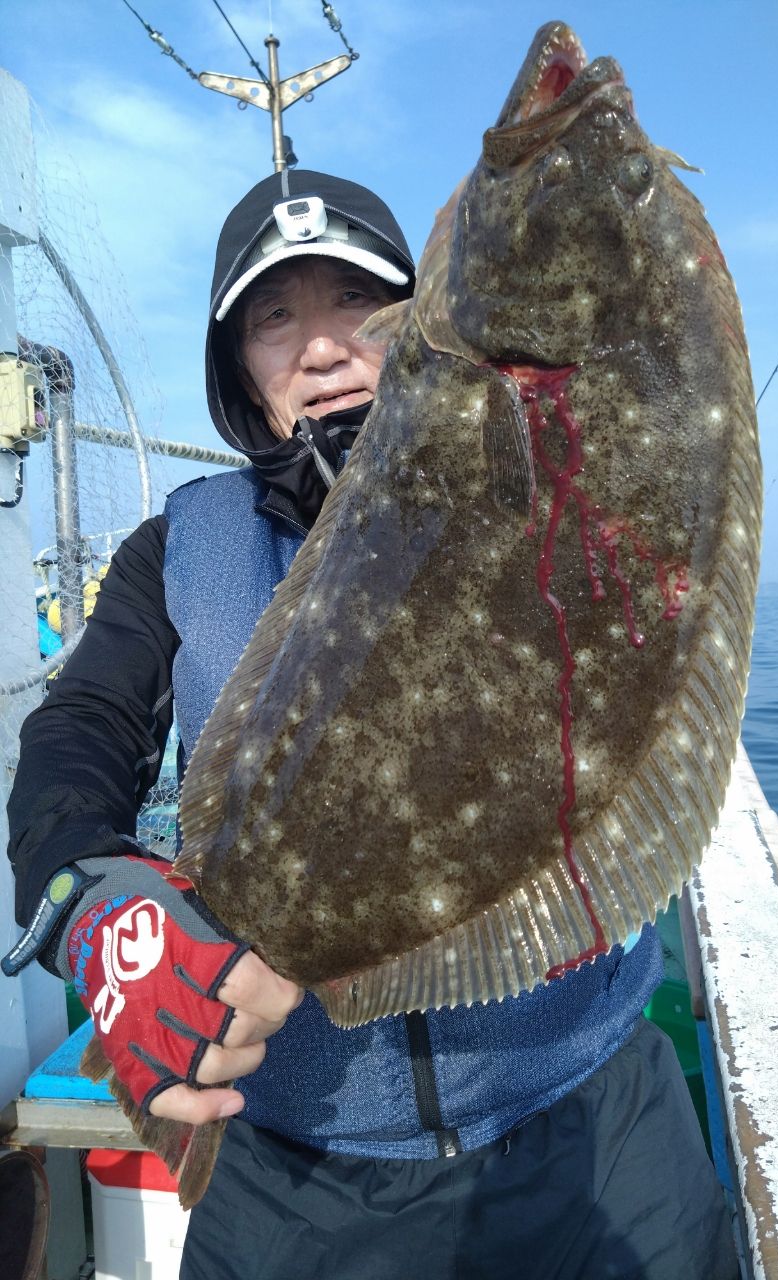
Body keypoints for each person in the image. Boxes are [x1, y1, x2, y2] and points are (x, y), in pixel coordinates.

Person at [5, 169, 738, 1280]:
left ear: (425, 322)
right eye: (274, 316)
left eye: (356, 300)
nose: (322, 346)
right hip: (299, 1177)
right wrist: (98, 910)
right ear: (240, 372)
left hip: (587, 1113)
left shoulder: (541, 492)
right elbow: (77, 739)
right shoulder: (179, 552)